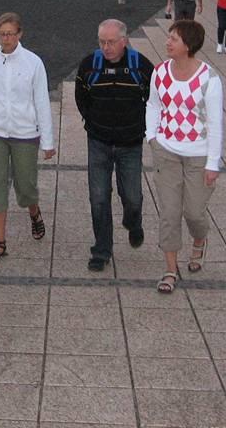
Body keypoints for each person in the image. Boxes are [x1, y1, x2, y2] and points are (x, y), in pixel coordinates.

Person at [0, 13, 56, 263]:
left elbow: (41, 103)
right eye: (2, 34)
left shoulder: (33, 63)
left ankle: (34, 211)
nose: (6, 38)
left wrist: (48, 141)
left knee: (25, 187)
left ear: (20, 34)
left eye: (10, 33)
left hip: (25, 134)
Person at [145, 20, 223, 293]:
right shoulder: (160, 72)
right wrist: (152, 136)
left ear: (188, 45)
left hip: (198, 156)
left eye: (174, 39)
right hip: (166, 152)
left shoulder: (209, 79)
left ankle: (199, 240)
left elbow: (215, 124)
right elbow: (153, 105)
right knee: (169, 212)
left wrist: (213, 163)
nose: (168, 42)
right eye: (169, 37)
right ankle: (169, 270)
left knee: (193, 212)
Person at [75, 19, 155, 272]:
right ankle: (101, 250)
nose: (106, 47)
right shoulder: (89, 65)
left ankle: (133, 222)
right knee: (98, 198)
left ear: (124, 41)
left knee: (132, 197)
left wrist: (140, 128)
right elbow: (81, 97)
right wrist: (93, 122)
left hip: (130, 143)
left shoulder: (141, 66)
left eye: (111, 42)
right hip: (98, 141)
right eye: (102, 42)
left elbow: (153, 100)